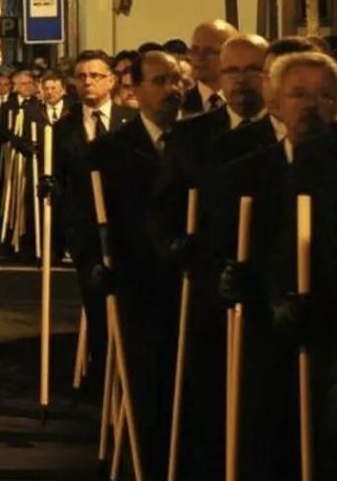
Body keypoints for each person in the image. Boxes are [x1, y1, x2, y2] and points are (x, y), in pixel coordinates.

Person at [152, 33, 270, 478]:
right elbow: (163, 207)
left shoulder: (284, 136)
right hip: (207, 287)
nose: (242, 81)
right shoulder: (193, 136)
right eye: (232, 71)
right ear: (219, 77)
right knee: (210, 398)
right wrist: (176, 245)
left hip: (265, 286)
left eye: (252, 70)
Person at [216, 51, 337, 479]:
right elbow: (228, 248)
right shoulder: (244, 173)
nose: (312, 105)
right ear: (276, 103)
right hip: (265, 336)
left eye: (324, 96)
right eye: (300, 94)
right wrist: (244, 283)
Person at [93, 50, 185, 479]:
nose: (173, 90)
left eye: (177, 81)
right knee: (146, 383)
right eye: (161, 81)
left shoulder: (196, 142)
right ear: (138, 89)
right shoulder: (114, 149)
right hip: (139, 281)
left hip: (186, 280)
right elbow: (95, 215)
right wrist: (99, 262)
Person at [52, 51, 136, 395]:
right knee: (96, 304)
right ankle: (104, 379)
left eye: (96, 75)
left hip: (127, 228)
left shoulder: (129, 121)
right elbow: (59, 179)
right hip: (86, 230)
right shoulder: (63, 129)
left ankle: (131, 372)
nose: (88, 81)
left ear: (111, 80)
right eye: (82, 76)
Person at [182, 19, 239, 115]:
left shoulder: (244, 102)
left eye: (209, 51)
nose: (200, 57)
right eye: (195, 49)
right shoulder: (179, 105)